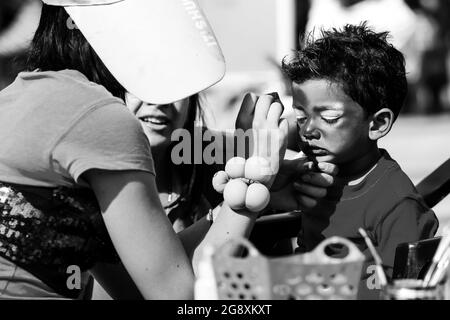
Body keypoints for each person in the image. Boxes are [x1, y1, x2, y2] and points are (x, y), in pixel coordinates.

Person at [0, 1, 336, 300]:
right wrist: (253, 179)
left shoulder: (17, 98)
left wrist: (243, 200)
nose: (159, 99)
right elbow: (181, 297)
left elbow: (138, 283)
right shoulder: (99, 117)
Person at [281, 23, 439, 299]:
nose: (308, 131)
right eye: (302, 116)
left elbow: (409, 291)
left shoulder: (397, 205)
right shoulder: (309, 177)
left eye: (329, 117)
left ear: (377, 124)